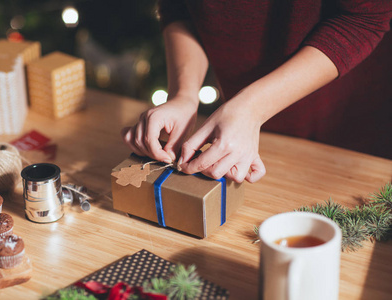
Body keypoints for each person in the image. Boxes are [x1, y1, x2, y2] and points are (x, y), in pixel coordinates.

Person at [122, 0, 392, 183]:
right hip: (244, 127)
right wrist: (184, 94)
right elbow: (179, 7)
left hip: (349, 131)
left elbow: (365, 18)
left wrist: (252, 107)